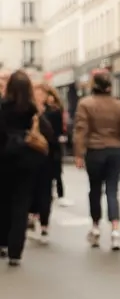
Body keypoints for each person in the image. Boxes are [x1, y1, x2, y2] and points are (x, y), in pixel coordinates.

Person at [73, 69, 120, 251]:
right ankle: (115, 230)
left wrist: (79, 153)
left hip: (95, 150)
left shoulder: (85, 104)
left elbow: (81, 130)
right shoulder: (119, 105)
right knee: (113, 190)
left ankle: (96, 227)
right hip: (115, 149)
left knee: (95, 189)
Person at [0, 71, 52, 266]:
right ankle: (16, 251)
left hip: (4, 159)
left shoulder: (2, 107)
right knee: (21, 205)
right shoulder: (32, 109)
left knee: (4, 201)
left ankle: (3, 242)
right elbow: (48, 133)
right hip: (27, 161)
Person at [30, 83, 65, 243]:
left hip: (44, 157)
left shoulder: (50, 112)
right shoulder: (32, 112)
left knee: (43, 191)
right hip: (37, 157)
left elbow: (55, 135)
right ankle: (35, 217)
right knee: (36, 190)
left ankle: (42, 223)